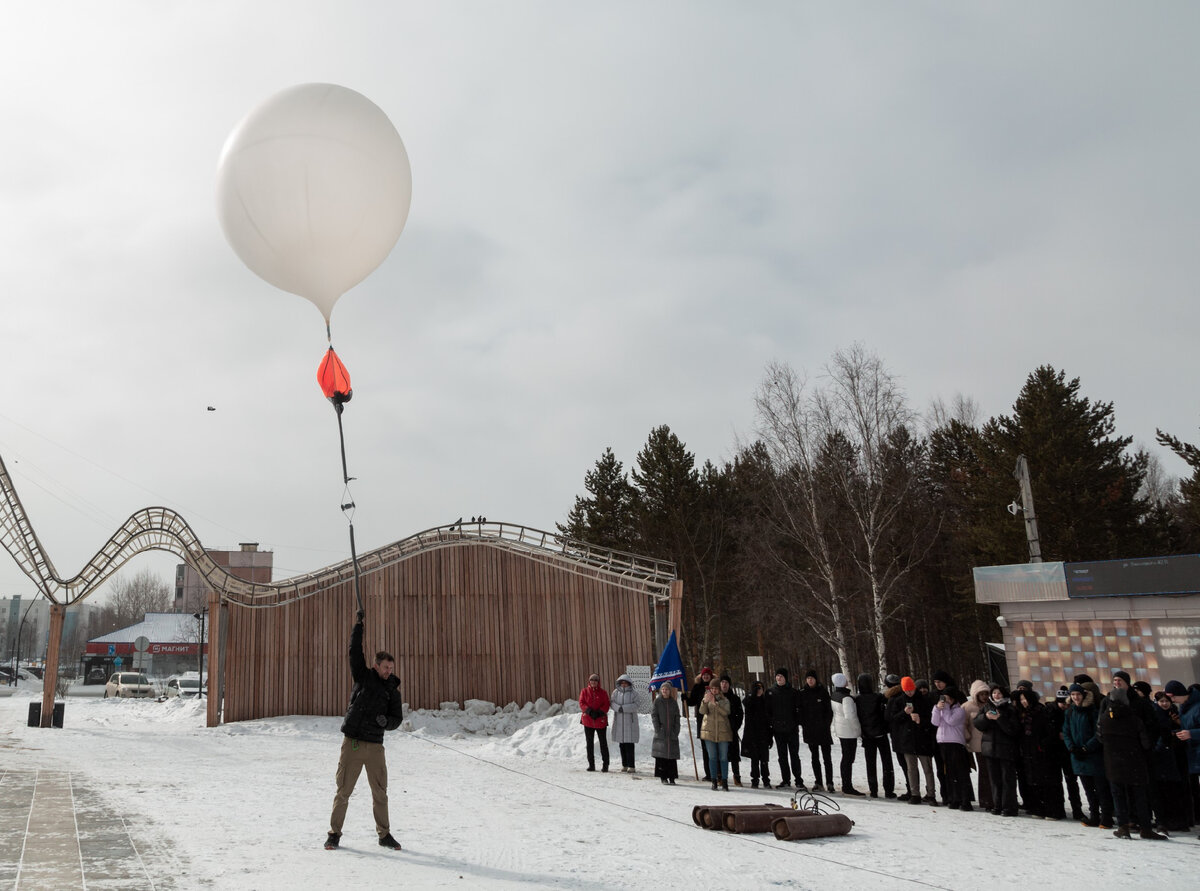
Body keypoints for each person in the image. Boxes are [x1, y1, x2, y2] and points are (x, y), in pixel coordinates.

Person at [325, 611, 405, 851]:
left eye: (391, 667)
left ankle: (384, 835)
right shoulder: (363, 676)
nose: (388, 671)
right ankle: (334, 834)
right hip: (354, 744)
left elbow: (396, 719)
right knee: (343, 792)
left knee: (380, 793)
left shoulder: (393, 691)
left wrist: (385, 722)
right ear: (376, 665)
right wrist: (358, 626)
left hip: (375, 747)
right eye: (385, 667)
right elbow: (354, 651)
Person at [1098, 680, 1166, 839]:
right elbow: (1145, 742)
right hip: (1134, 762)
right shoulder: (1134, 719)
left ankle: (1123, 827)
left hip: (1112, 763)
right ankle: (1146, 828)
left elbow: (1100, 738)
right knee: (1139, 796)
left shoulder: (1104, 719)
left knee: (1119, 796)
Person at [1063, 682, 1110, 828]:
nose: (1076, 697)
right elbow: (1066, 731)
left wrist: (1086, 748)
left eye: (1078, 694)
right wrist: (1071, 747)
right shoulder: (1070, 712)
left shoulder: (1092, 711)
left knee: (1101, 789)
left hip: (1093, 755)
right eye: (1073, 695)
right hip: (1077, 756)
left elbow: (1098, 734)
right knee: (1088, 789)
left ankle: (1106, 817)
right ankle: (1094, 815)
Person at [887, 676, 936, 805]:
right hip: (907, 740)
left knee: (927, 768)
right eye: (907, 690)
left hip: (922, 739)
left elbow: (932, 718)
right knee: (911, 768)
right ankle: (915, 793)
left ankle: (931, 794)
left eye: (911, 690)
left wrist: (920, 720)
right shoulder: (898, 701)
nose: (909, 692)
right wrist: (904, 713)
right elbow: (893, 719)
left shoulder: (924, 700)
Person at [974, 684, 1019, 817]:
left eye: (999, 693)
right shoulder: (987, 707)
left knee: (1007, 779)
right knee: (995, 779)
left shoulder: (1010, 709)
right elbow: (977, 724)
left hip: (1006, 750)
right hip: (990, 749)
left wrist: (999, 719)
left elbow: (1013, 729)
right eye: (994, 693)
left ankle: (1009, 807)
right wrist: (986, 718)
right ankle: (997, 804)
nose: (996, 696)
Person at [930, 687, 972, 810]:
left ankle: (965, 799)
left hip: (955, 742)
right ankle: (954, 798)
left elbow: (951, 721)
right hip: (943, 742)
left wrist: (946, 708)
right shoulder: (941, 709)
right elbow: (935, 722)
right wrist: (937, 709)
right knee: (949, 773)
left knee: (960, 772)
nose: (945, 700)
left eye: (947, 698)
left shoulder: (959, 710)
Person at [856, 673, 895, 799]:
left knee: (870, 764)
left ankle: (873, 791)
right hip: (881, 734)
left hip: (867, 736)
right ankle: (889, 790)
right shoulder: (878, 697)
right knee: (887, 763)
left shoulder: (857, 699)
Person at [766, 667, 805, 790]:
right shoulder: (771, 692)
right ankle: (786, 779)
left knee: (794, 755)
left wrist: (796, 722)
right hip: (778, 730)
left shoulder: (793, 692)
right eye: (777, 676)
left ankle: (798, 779)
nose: (779, 678)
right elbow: (768, 711)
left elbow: (799, 709)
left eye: (781, 676)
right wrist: (772, 723)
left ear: (785, 678)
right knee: (782, 756)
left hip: (792, 729)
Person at [799, 670, 834, 792]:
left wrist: (826, 724)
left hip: (823, 730)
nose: (810, 680)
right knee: (815, 758)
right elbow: (800, 712)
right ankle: (818, 782)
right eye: (808, 678)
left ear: (816, 679)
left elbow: (829, 711)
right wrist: (804, 724)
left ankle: (830, 782)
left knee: (827, 758)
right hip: (810, 731)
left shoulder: (823, 692)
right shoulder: (802, 693)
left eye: (812, 678)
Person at [830, 673, 863, 795]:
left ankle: (846, 784)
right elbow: (851, 716)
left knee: (846, 758)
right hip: (849, 731)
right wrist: (858, 730)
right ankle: (847, 785)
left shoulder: (834, 695)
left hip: (841, 729)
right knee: (848, 759)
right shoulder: (847, 698)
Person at [962, 680, 993, 811]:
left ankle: (993, 798)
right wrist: (968, 737)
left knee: (992, 772)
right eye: (982, 694)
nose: (984, 696)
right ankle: (986, 800)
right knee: (984, 772)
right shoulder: (967, 707)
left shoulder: (990, 705)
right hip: (977, 745)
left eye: (986, 693)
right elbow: (962, 725)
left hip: (991, 743)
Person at [699, 678, 733, 791]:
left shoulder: (725, 700)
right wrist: (705, 701)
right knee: (712, 757)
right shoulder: (706, 698)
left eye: (716, 688)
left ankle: (724, 781)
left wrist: (716, 704)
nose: (714, 690)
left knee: (723, 758)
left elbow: (726, 712)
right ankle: (713, 780)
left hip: (723, 732)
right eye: (712, 688)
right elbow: (702, 711)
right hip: (709, 732)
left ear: (719, 689)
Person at [687, 666, 716, 780]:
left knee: (714, 748)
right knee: (705, 749)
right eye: (704, 675)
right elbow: (692, 701)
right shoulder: (697, 687)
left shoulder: (715, 686)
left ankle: (716, 772)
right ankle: (708, 773)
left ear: (711, 676)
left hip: (714, 720)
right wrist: (686, 698)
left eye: (707, 675)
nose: (705, 676)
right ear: (701, 676)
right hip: (702, 721)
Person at [741, 681, 772, 789]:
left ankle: (766, 780)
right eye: (757, 688)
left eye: (761, 688)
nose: (759, 691)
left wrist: (770, 736)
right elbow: (747, 705)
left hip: (764, 734)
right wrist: (753, 695)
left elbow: (768, 719)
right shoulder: (750, 701)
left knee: (764, 759)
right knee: (754, 759)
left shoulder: (766, 701)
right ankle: (755, 780)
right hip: (752, 734)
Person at [579, 672, 611, 772]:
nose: (593, 682)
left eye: (595, 680)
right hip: (588, 720)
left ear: (598, 682)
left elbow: (606, 704)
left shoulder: (603, 693)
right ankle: (591, 765)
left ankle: (605, 765)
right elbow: (581, 702)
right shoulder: (584, 691)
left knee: (603, 743)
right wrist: (589, 711)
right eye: (592, 680)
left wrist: (599, 713)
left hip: (600, 720)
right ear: (589, 681)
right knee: (589, 743)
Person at [651, 682, 681, 785]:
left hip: (671, 733)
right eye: (663, 689)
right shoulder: (657, 701)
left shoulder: (673, 702)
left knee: (671, 757)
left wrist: (676, 730)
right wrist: (658, 729)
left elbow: (677, 717)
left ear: (670, 691)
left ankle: (672, 777)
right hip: (661, 733)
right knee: (662, 756)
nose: (665, 691)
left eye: (667, 689)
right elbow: (654, 715)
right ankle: (663, 777)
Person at [611, 674, 640, 774]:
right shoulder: (615, 692)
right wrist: (618, 708)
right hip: (619, 722)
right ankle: (624, 765)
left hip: (630, 722)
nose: (623, 684)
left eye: (625, 682)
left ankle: (631, 766)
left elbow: (636, 705)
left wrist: (624, 708)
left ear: (629, 683)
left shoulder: (634, 693)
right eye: (622, 682)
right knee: (621, 745)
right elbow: (612, 703)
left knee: (629, 745)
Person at [720, 675, 744, 786]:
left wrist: (735, 726)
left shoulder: (735, 698)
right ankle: (720, 776)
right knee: (721, 755)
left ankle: (737, 777)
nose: (724, 684)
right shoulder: (716, 697)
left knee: (734, 755)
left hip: (732, 730)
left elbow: (740, 715)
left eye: (726, 682)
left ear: (729, 685)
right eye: (722, 682)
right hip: (720, 731)